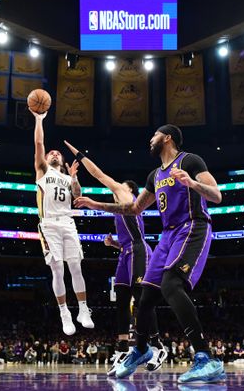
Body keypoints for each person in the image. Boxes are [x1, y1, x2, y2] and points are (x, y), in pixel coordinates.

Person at [75, 124, 225, 383]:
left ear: (167, 138)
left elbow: (217, 196)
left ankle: (206, 357)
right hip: (167, 235)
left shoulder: (189, 160)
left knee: (172, 285)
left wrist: (191, 183)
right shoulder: (155, 175)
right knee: (145, 297)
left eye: (154, 135)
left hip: (191, 227)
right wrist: (94, 204)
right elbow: (134, 208)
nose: (150, 140)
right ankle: (141, 350)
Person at [63, 139, 167, 375]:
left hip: (140, 251)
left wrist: (78, 153)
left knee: (142, 300)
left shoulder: (125, 195)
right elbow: (127, 240)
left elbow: (98, 173)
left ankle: (158, 346)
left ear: (129, 190)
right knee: (121, 301)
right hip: (125, 253)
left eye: (120, 185)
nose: (115, 186)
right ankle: (122, 351)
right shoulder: (119, 210)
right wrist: (113, 243)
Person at [30, 110, 93, 335]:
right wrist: (39, 119)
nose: (54, 154)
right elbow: (39, 142)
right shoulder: (42, 172)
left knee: (75, 267)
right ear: (46, 159)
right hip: (48, 224)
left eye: (58, 153)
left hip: (68, 222)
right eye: (51, 153)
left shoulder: (67, 177)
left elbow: (77, 195)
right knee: (58, 269)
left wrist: (74, 177)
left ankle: (83, 309)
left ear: (63, 161)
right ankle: (64, 312)